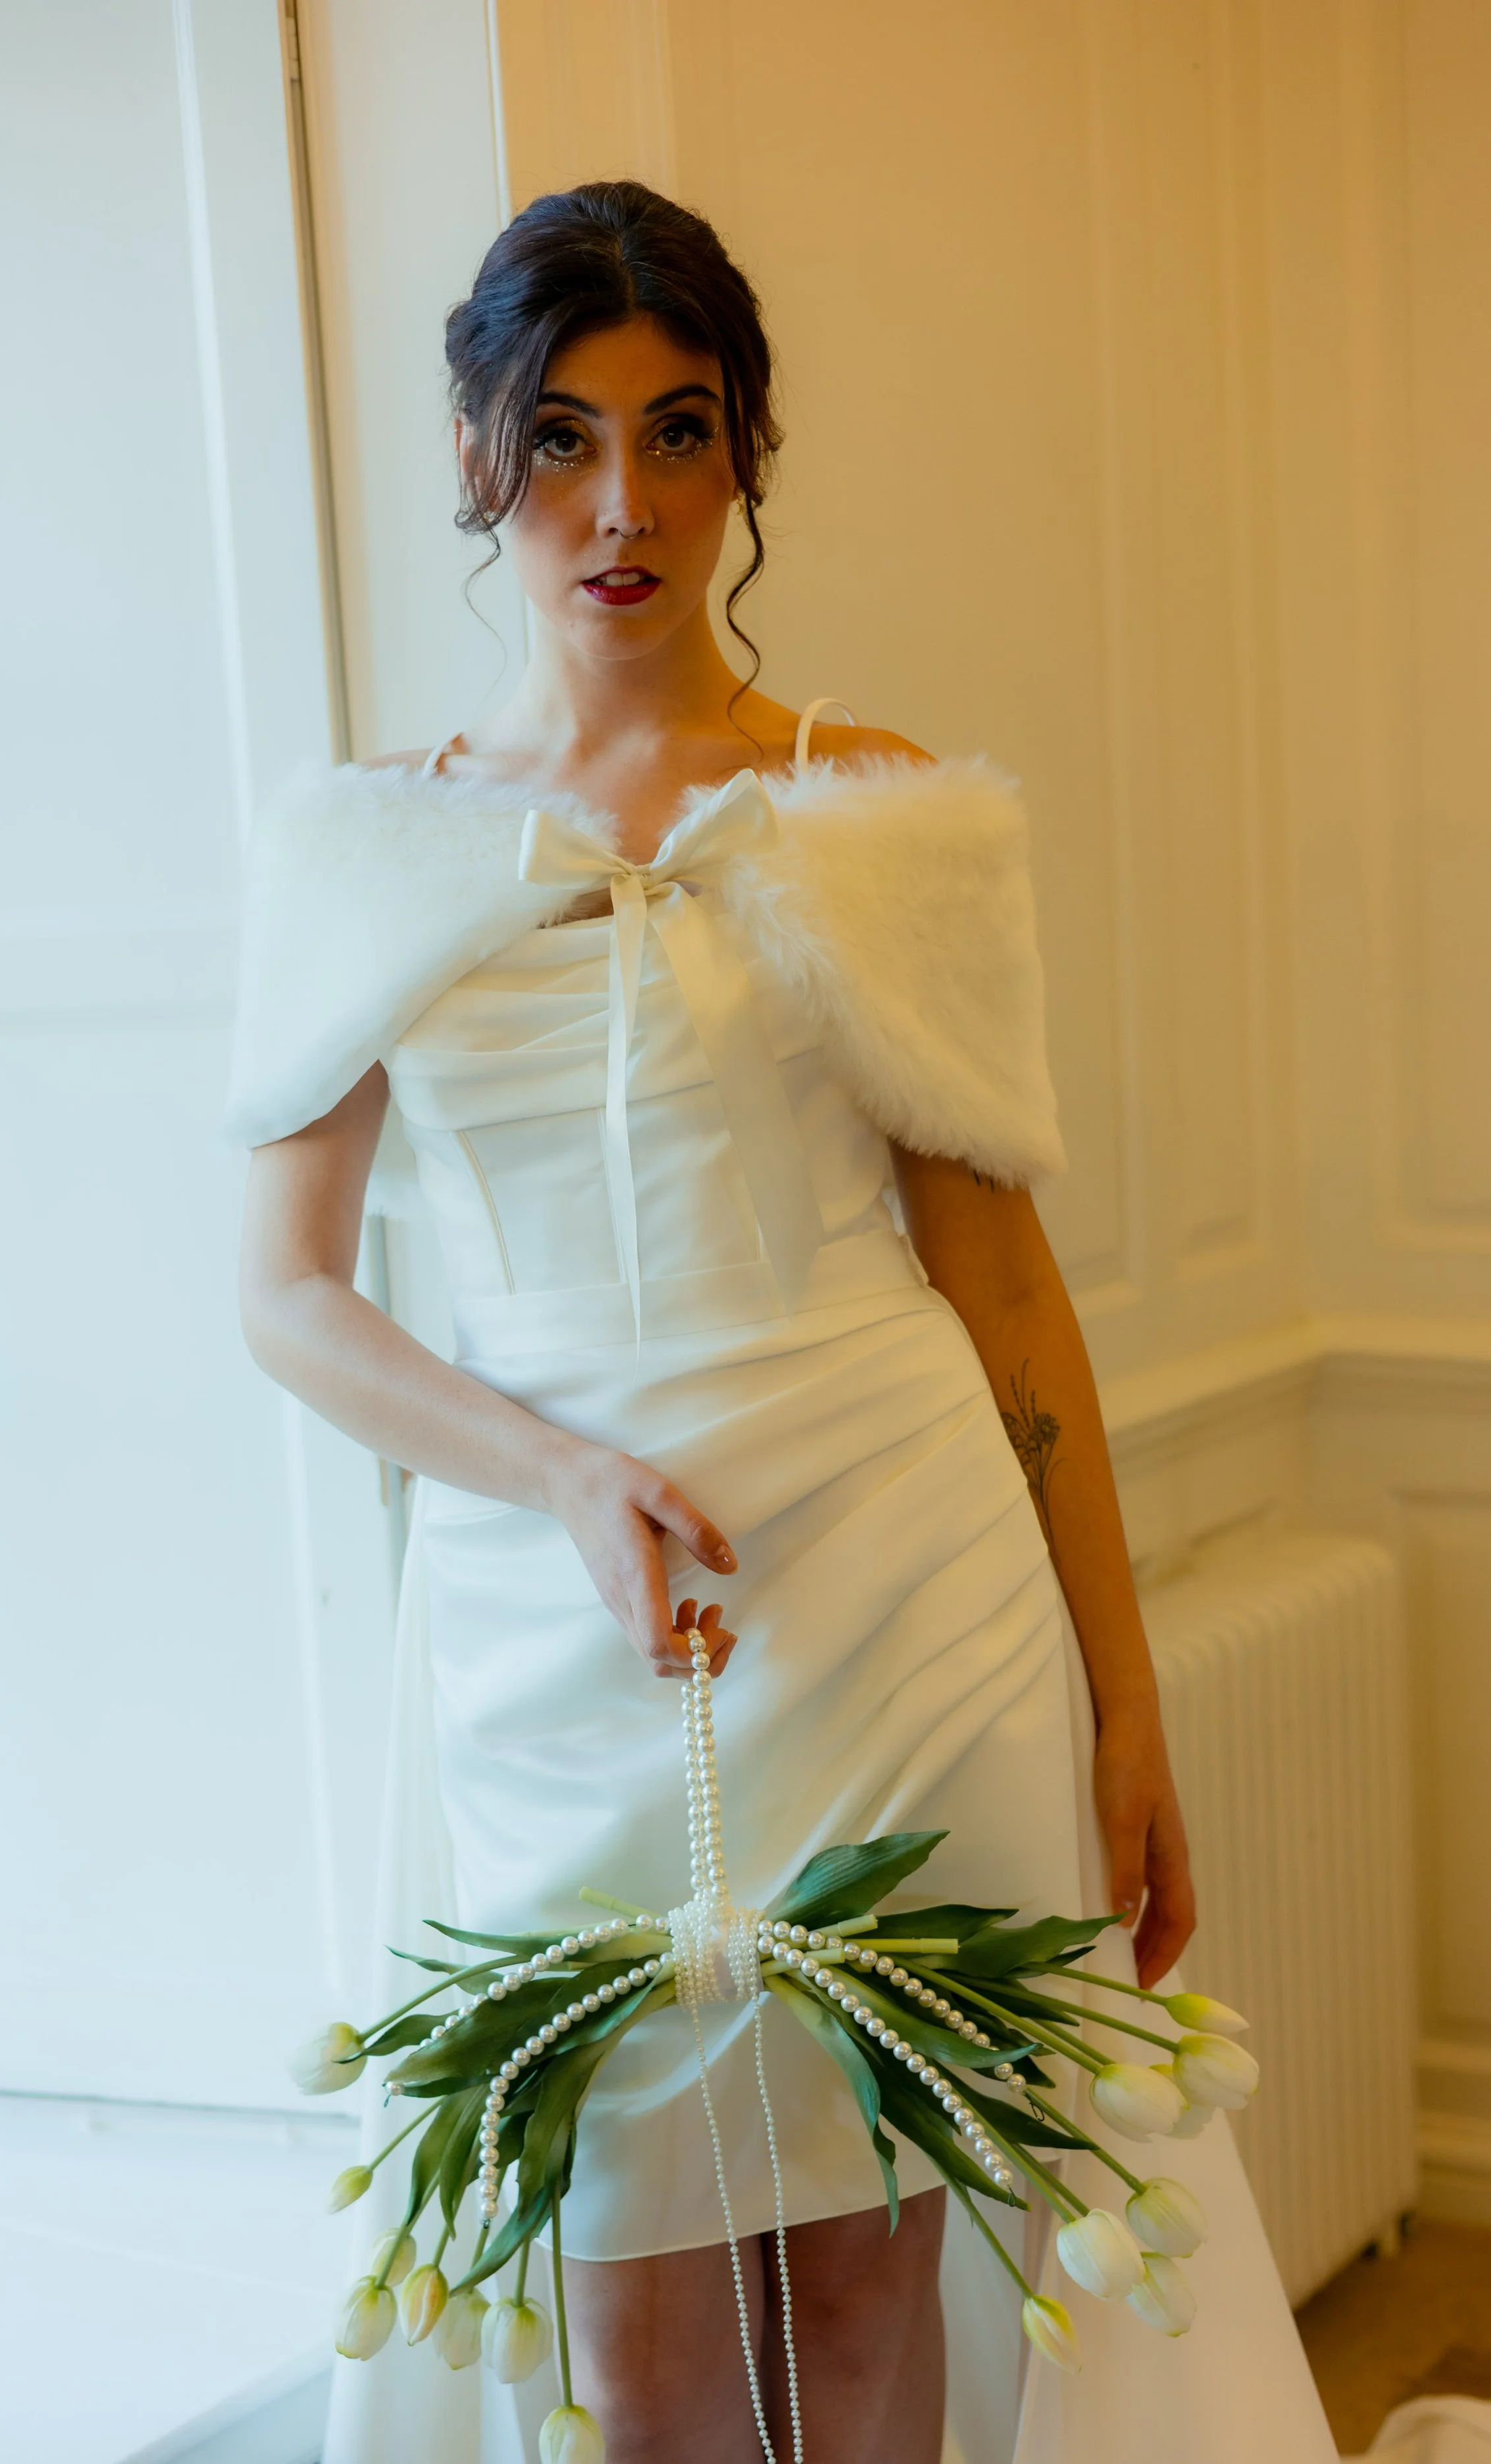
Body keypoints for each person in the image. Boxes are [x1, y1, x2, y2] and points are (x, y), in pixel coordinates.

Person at [230, 181, 1335, 2464]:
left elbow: (1008, 1300)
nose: (618, 503)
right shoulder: (359, 844)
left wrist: (1124, 1707)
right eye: (557, 437)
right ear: (475, 452)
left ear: (745, 459)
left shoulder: (877, 808)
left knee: (861, 2265)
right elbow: (289, 1298)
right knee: (632, 2322)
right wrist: (552, 1470)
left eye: (678, 430)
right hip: (561, 1643)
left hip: (892, 1578)